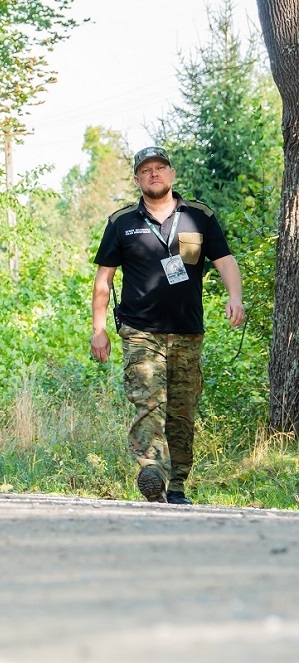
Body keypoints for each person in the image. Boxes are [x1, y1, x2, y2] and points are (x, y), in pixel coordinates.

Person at [91, 146, 245, 505]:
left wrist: (235, 297)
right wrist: (99, 329)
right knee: (148, 403)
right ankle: (152, 471)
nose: (154, 174)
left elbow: (225, 261)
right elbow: (104, 280)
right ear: (137, 180)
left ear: (172, 174)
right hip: (140, 331)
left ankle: (175, 487)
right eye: (146, 170)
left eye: (160, 168)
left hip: (187, 331)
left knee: (181, 412)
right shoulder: (122, 222)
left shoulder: (199, 216)